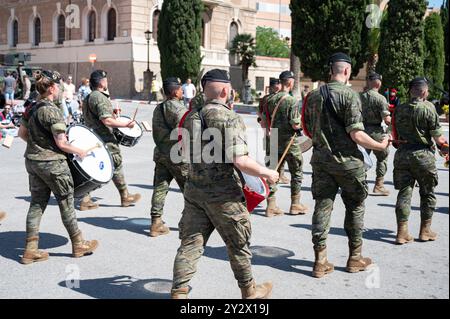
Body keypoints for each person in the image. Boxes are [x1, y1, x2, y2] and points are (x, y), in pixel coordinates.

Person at [171, 69, 279, 299]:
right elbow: (240, 160)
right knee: (238, 245)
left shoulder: (190, 117)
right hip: (223, 195)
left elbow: (182, 151)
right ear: (225, 90)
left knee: (190, 244)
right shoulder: (228, 117)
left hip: (194, 191)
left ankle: (179, 292)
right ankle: (249, 292)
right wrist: (267, 173)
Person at [302, 53, 390, 278]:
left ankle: (320, 261)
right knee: (355, 207)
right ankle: (354, 257)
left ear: (330, 69)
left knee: (322, 206)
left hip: (322, 162)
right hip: (349, 164)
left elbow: (309, 131)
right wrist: (380, 146)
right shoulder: (350, 96)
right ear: (347, 71)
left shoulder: (312, 96)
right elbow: (357, 134)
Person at [17, 70, 98, 265]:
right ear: (52, 88)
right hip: (53, 164)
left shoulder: (31, 107)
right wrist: (80, 151)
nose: (61, 89)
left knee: (37, 204)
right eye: (59, 86)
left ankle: (30, 249)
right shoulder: (52, 110)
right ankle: (78, 243)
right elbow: (62, 143)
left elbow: (21, 133)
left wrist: (39, 145)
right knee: (66, 202)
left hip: (33, 162)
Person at [392, 77, 448, 245]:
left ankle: (402, 232)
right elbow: (438, 138)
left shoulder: (399, 109)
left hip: (402, 155)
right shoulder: (429, 108)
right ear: (424, 92)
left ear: (410, 91)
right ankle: (425, 231)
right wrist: (445, 148)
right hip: (423, 157)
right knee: (427, 193)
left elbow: (395, 136)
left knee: (404, 193)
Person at [82, 70, 141, 208]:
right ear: (102, 82)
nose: (107, 82)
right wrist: (126, 124)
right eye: (106, 80)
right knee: (116, 163)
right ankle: (125, 196)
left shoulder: (90, 96)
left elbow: (98, 115)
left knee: (93, 167)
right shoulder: (100, 97)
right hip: (104, 138)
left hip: (92, 136)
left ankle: (85, 199)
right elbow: (106, 121)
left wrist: (112, 114)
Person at [264, 71, 308, 217]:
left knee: (272, 171)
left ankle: (271, 205)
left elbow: (264, 122)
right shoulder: (291, 101)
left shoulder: (269, 99)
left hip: (273, 139)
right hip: (289, 142)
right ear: (289, 82)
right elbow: (295, 125)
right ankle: (295, 204)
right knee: (296, 172)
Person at [149, 77, 189, 237]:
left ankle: (155, 222)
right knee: (190, 191)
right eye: (180, 88)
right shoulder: (180, 110)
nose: (182, 91)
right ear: (174, 91)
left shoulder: (158, 109)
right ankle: (187, 224)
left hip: (161, 154)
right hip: (178, 157)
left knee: (160, 188)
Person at [360, 72, 392, 196]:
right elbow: (387, 120)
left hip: (362, 131)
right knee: (382, 157)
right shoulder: (381, 98)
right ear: (378, 83)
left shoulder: (359, 96)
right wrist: (389, 132)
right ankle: (379, 185)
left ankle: (360, 182)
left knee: (361, 158)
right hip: (376, 132)